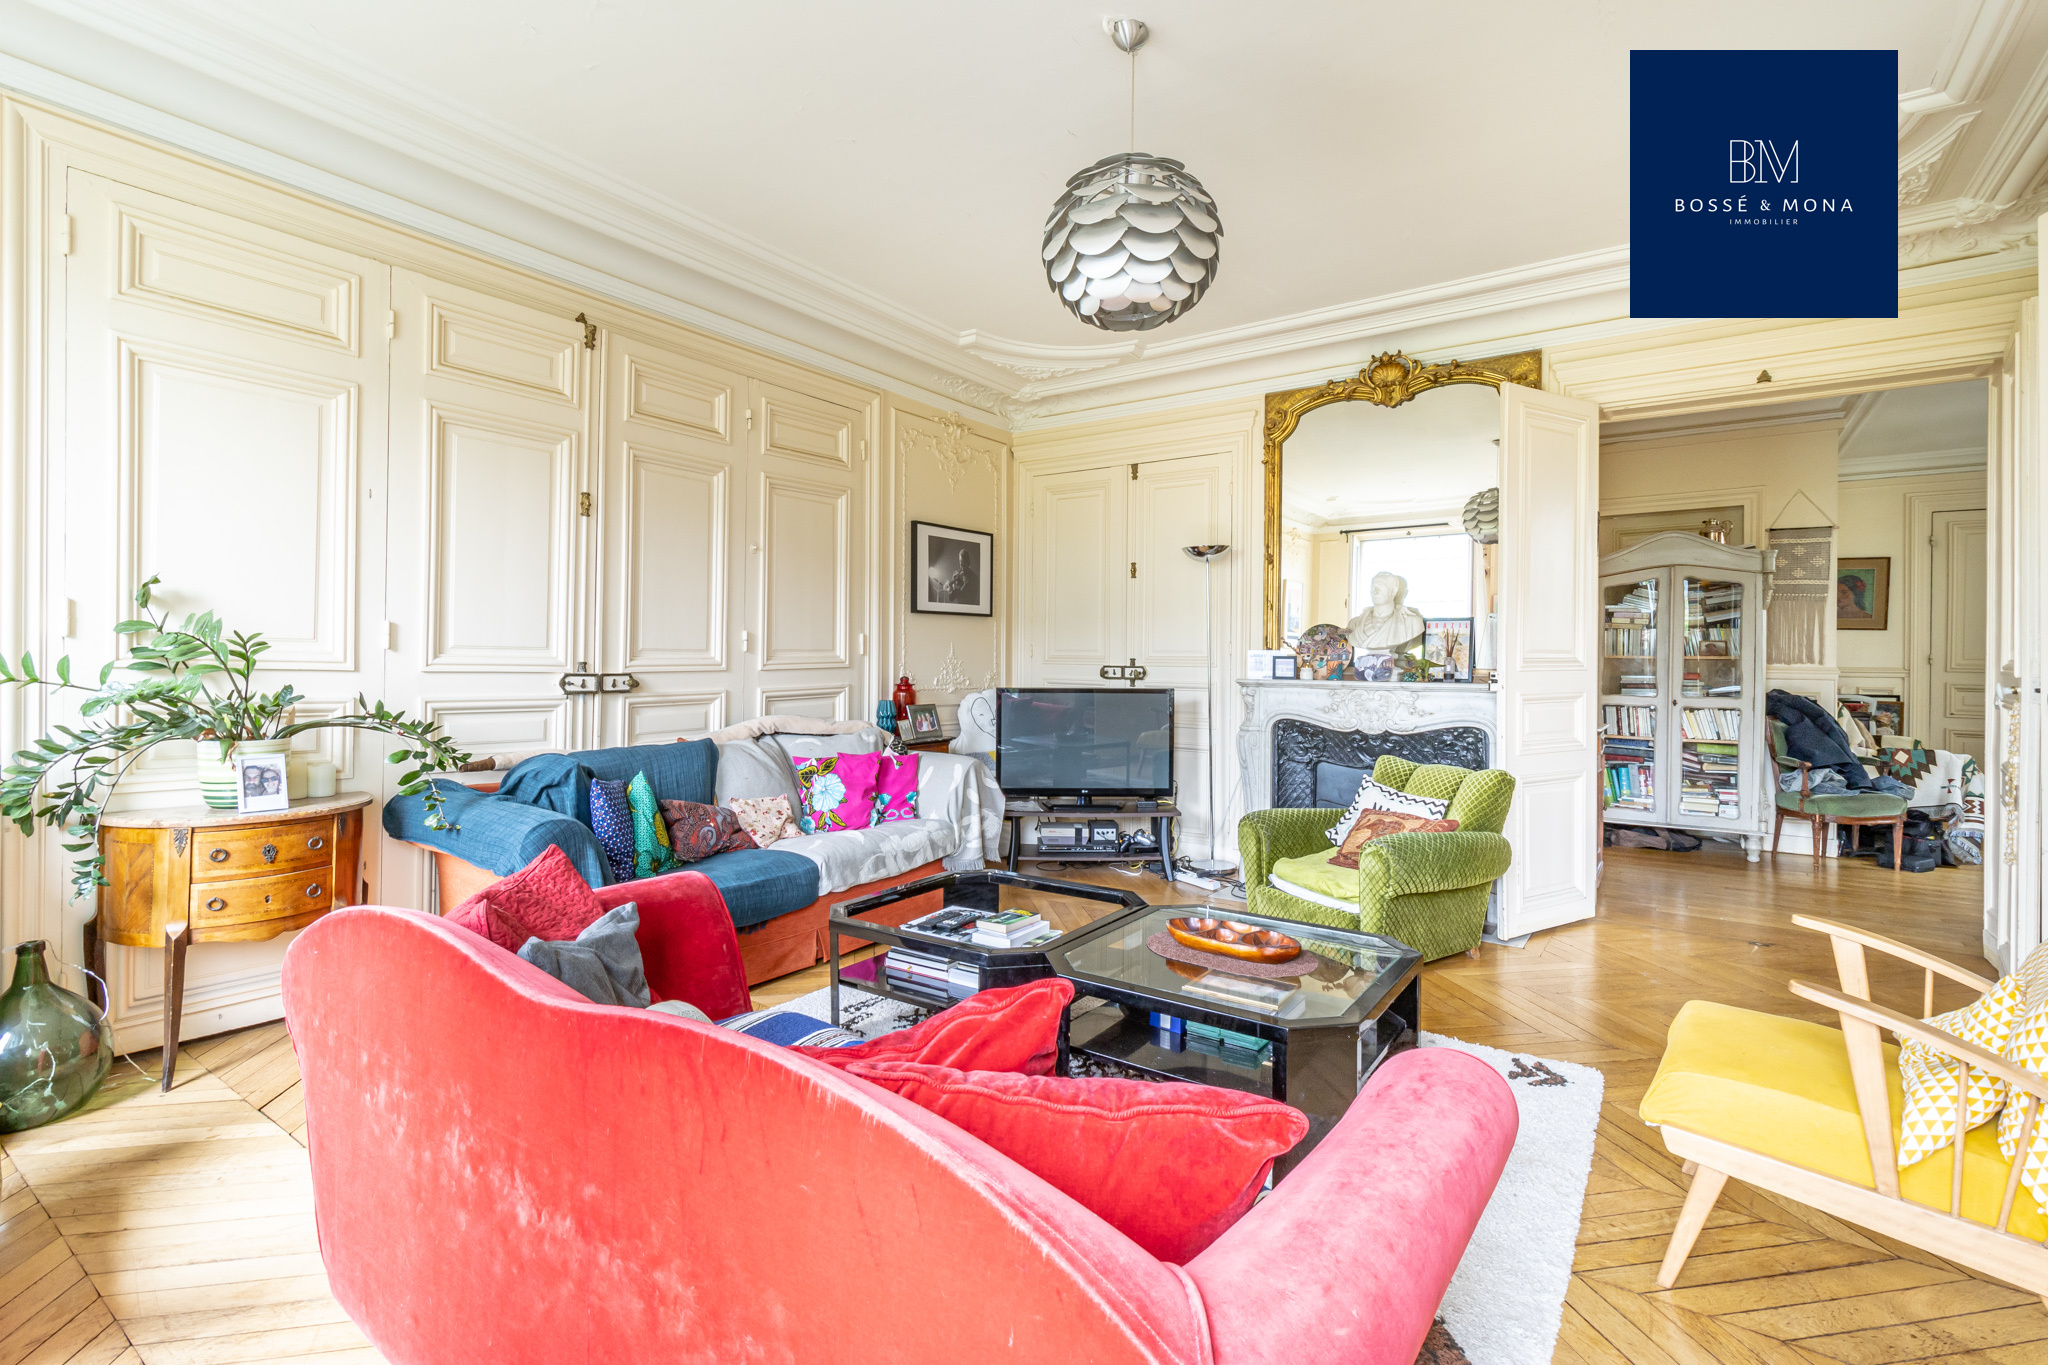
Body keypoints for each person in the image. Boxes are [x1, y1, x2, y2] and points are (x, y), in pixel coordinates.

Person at [1347, 572, 1427, 652]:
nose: (1375, 592)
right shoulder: (1354, 624)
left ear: (1393, 591)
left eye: (1381, 587)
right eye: (1373, 587)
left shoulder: (1412, 623)